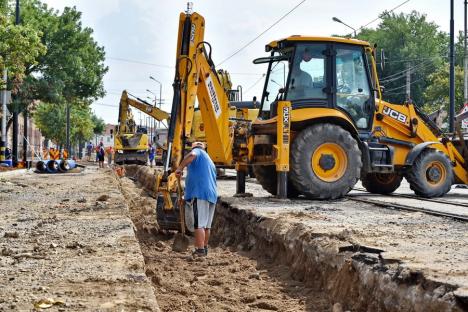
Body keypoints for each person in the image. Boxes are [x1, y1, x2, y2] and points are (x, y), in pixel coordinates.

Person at [175, 142, 217, 258]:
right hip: (211, 196)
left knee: (199, 224)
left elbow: (192, 155)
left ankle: (199, 250)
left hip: (200, 195)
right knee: (206, 226)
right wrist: (186, 197)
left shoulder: (197, 152)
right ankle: (204, 248)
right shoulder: (210, 161)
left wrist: (179, 167)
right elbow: (201, 178)